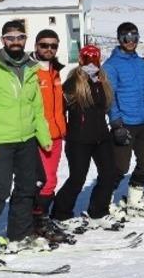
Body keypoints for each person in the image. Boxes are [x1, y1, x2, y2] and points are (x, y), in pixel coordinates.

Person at [0, 20, 54, 262]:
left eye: (20, 37)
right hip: (1, 141)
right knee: (0, 190)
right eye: (10, 37)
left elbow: (37, 108)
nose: (16, 42)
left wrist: (43, 137)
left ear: (26, 39)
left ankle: (19, 235)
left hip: (26, 139)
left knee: (27, 188)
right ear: (3, 40)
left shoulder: (30, 68)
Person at [52, 44, 123, 227]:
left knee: (109, 174)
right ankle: (60, 214)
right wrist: (62, 130)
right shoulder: (73, 83)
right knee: (77, 178)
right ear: (81, 60)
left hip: (101, 137)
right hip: (79, 140)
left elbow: (108, 106)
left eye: (95, 59)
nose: (91, 63)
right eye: (88, 59)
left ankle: (98, 212)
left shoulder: (102, 81)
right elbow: (59, 110)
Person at [104, 22, 144, 216]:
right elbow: (109, 97)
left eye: (134, 37)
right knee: (120, 167)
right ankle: (104, 200)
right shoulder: (111, 65)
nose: (130, 41)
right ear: (119, 39)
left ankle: (135, 201)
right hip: (125, 123)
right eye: (126, 37)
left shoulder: (140, 63)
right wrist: (116, 123)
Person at [30, 29, 68, 242]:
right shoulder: (30, 71)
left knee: (52, 180)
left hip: (57, 134)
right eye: (44, 45)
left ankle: (42, 219)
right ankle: (34, 222)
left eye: (53, 46)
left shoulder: (55, 71)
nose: (49, 49)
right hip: (39, 136)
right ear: (36, 46)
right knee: (42, 181)